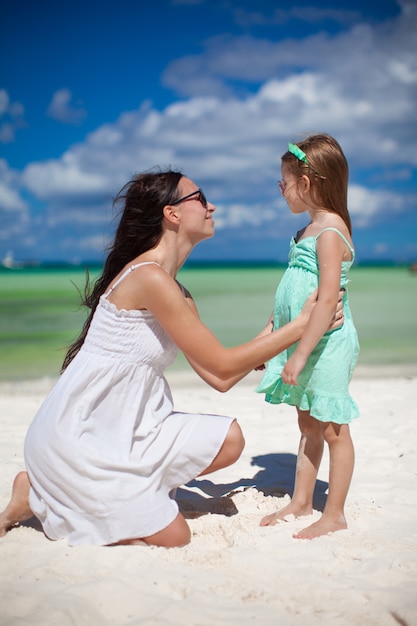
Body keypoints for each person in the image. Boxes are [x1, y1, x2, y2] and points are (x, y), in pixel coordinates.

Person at [0, 169, 344, 548]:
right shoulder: (148, 277)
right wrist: (301, 327)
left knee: (229, 440)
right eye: (200, 198)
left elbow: (220, 378)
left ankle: (106, 491)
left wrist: (279, 326)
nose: (211, 206)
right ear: (172, 214)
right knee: (175, 536)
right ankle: (37, 493)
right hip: (81, 435)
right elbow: (225, 365)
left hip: (131, 430)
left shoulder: (178, 292)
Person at [256, 134, 359, 539]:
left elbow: (327, 297)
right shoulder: (307, 229)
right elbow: (292, 288)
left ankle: (334, 514)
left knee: (333, 426)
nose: (280, 189)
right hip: (301, 339)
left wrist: (299, 355)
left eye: (284, 181)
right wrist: (269, 337)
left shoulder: (331, 230)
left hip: (327, 343)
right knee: (308, 423)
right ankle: (301, 501)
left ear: (308, 182)